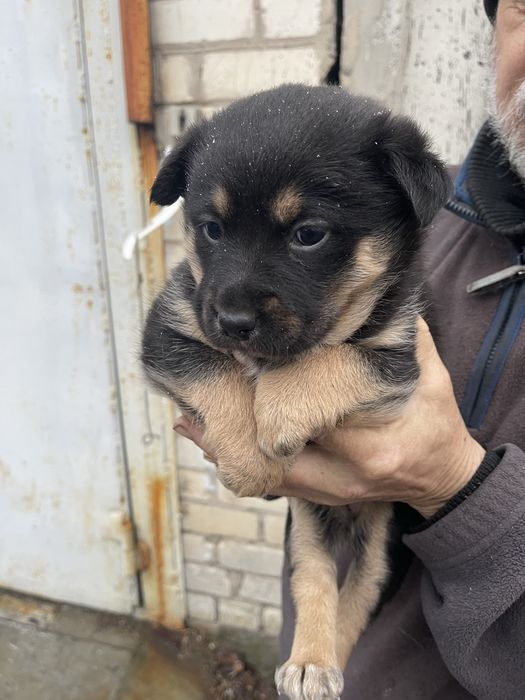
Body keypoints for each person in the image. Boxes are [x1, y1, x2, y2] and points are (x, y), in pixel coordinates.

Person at [174, 1, 525, 697]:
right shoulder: (421, 206)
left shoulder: (391, 204)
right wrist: (254, 427)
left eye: (307, 236)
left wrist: (454, 486)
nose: (235, 303)